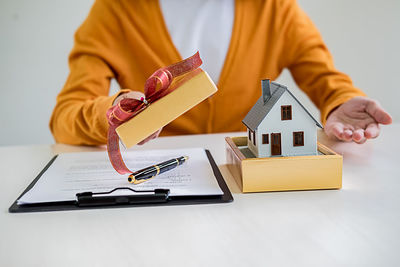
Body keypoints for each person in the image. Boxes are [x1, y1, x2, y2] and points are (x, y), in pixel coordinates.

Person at [50, 0, 392, 146]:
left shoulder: (274, 8)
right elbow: (65, 117)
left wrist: (340, 104)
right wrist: (111, 114)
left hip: (245, 186)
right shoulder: (115, 10)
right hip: (155, 188)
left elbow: (324, 78)